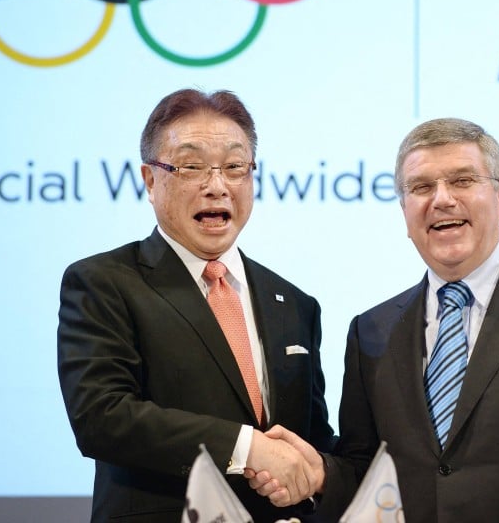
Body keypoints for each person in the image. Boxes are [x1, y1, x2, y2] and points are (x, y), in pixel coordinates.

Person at [255, 117, 499, 521]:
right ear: (404, 211)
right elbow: (367, 476)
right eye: (421, 187)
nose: (441, 199)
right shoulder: (371, 331)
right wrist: (322, 474)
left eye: (462, 181)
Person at [57, 88, 335, 523]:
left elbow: (311, 438)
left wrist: (320, 473)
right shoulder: (104, 282)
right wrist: (246, 448)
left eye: (234, 167)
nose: (217, 186)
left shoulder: (295, 303)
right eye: (192, 167)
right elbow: (103, 418)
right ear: (151, 181)